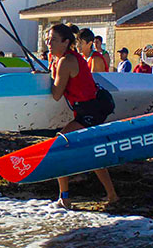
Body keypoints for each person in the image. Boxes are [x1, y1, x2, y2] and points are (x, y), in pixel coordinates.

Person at [46, 23, 119, 209]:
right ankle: (112, 195)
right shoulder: (64, 58)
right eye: (47, 39)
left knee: (59, 144)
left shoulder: (66, 61)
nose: (48, 43)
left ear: (66, 42)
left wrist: (47, 76)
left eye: (53, 40)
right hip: (93, 107)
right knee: (92, 153)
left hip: (90, 110)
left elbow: (56, 94)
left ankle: (64, 198)